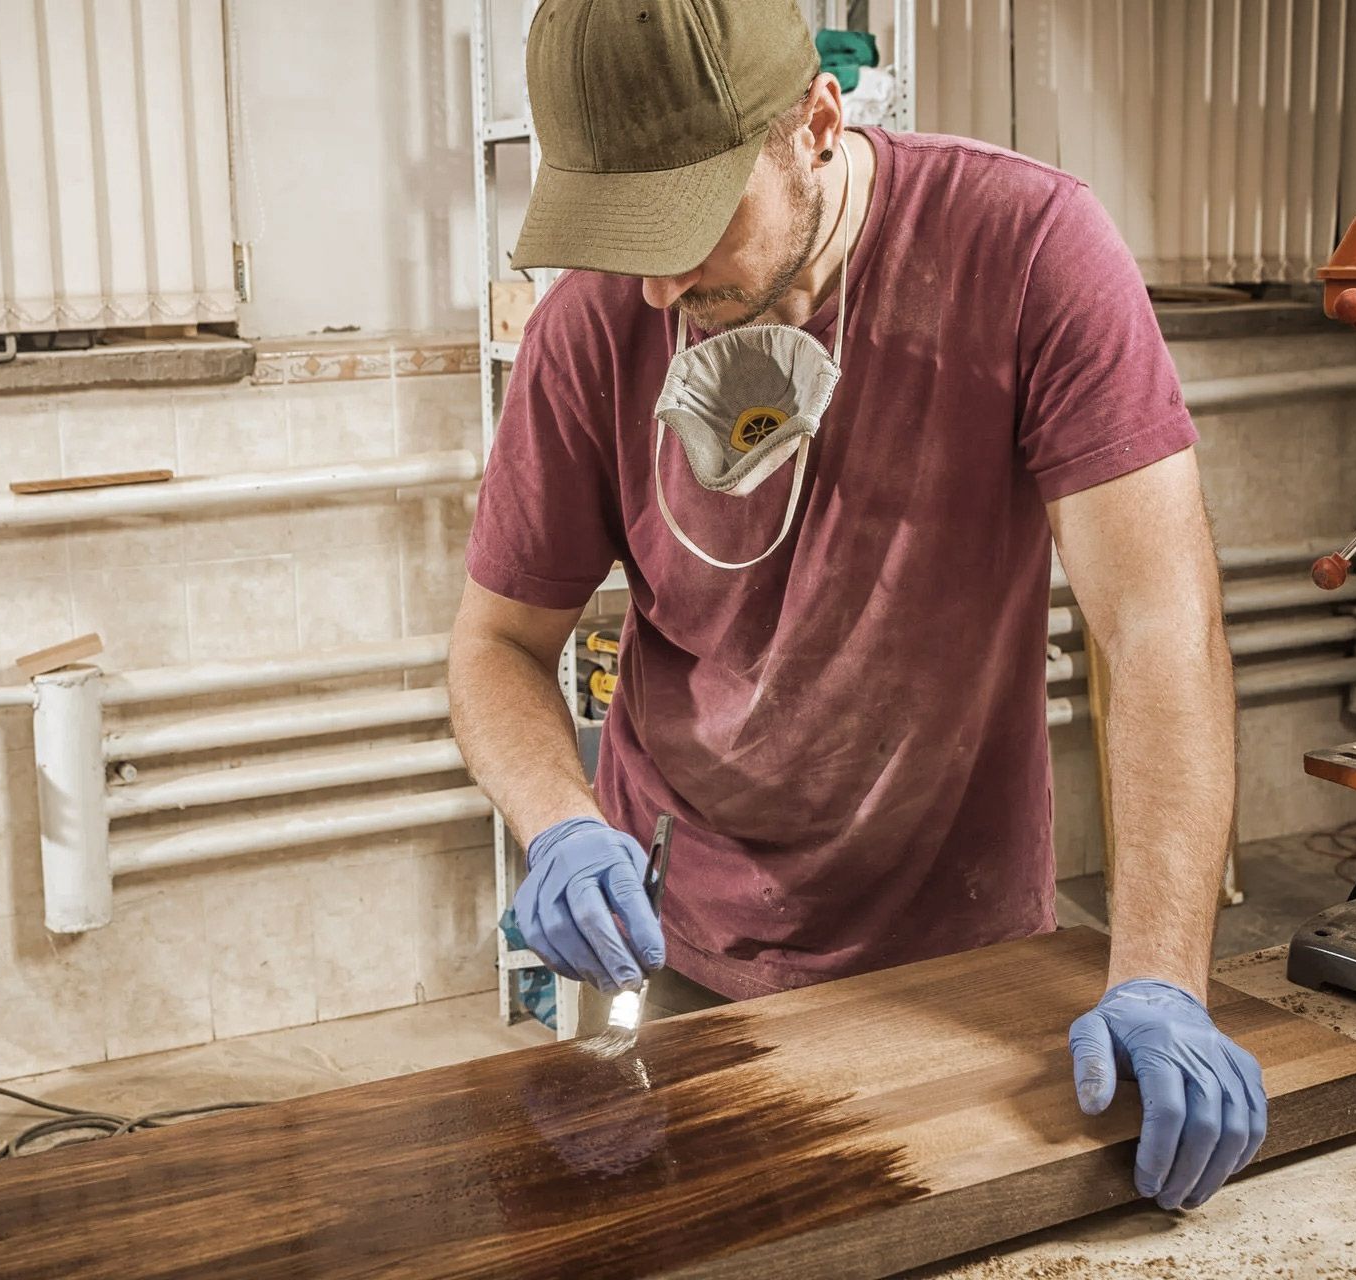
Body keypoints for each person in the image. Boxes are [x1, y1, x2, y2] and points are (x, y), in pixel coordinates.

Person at [447, 0, 1266, 1212]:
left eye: (693, 222)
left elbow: (1156, 623)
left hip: (965, 949)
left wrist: (1161, 972)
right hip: (681, 945)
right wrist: (557, 819)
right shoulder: (591, 328)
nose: (662, 280)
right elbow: (497, 644)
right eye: (628, 237)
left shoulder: (1029, 250)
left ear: (817, 125)